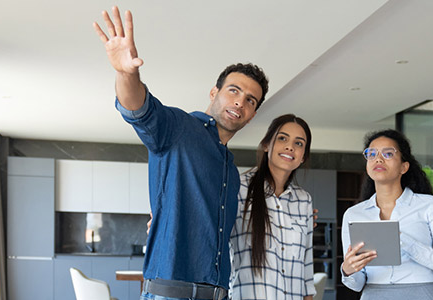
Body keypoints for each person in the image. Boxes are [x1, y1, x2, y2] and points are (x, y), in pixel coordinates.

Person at [93, 7, 269, 300]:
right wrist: (126, 74)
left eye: (250, 100)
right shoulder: (179, 128)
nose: (240, 102)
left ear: (252, 114)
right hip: (170, 294)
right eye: (234, 91)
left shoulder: (230, 167)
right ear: (214, 93)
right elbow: (139, 109)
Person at [340, 129, 433, 300]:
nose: (378, 158)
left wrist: (404, 242)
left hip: (422, 294)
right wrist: (348, 270)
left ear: (404, 167)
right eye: (371, 154)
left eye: (388, 153)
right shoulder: (353, 214)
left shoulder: (430, 206)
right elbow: (358, 283)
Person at [230, 114, 315, 300]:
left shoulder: (304, 201)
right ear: (267, 144)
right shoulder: (238, 188)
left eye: (299, 143)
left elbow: (306, 273)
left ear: (303, 157)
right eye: (282, 138)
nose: (290, 147)